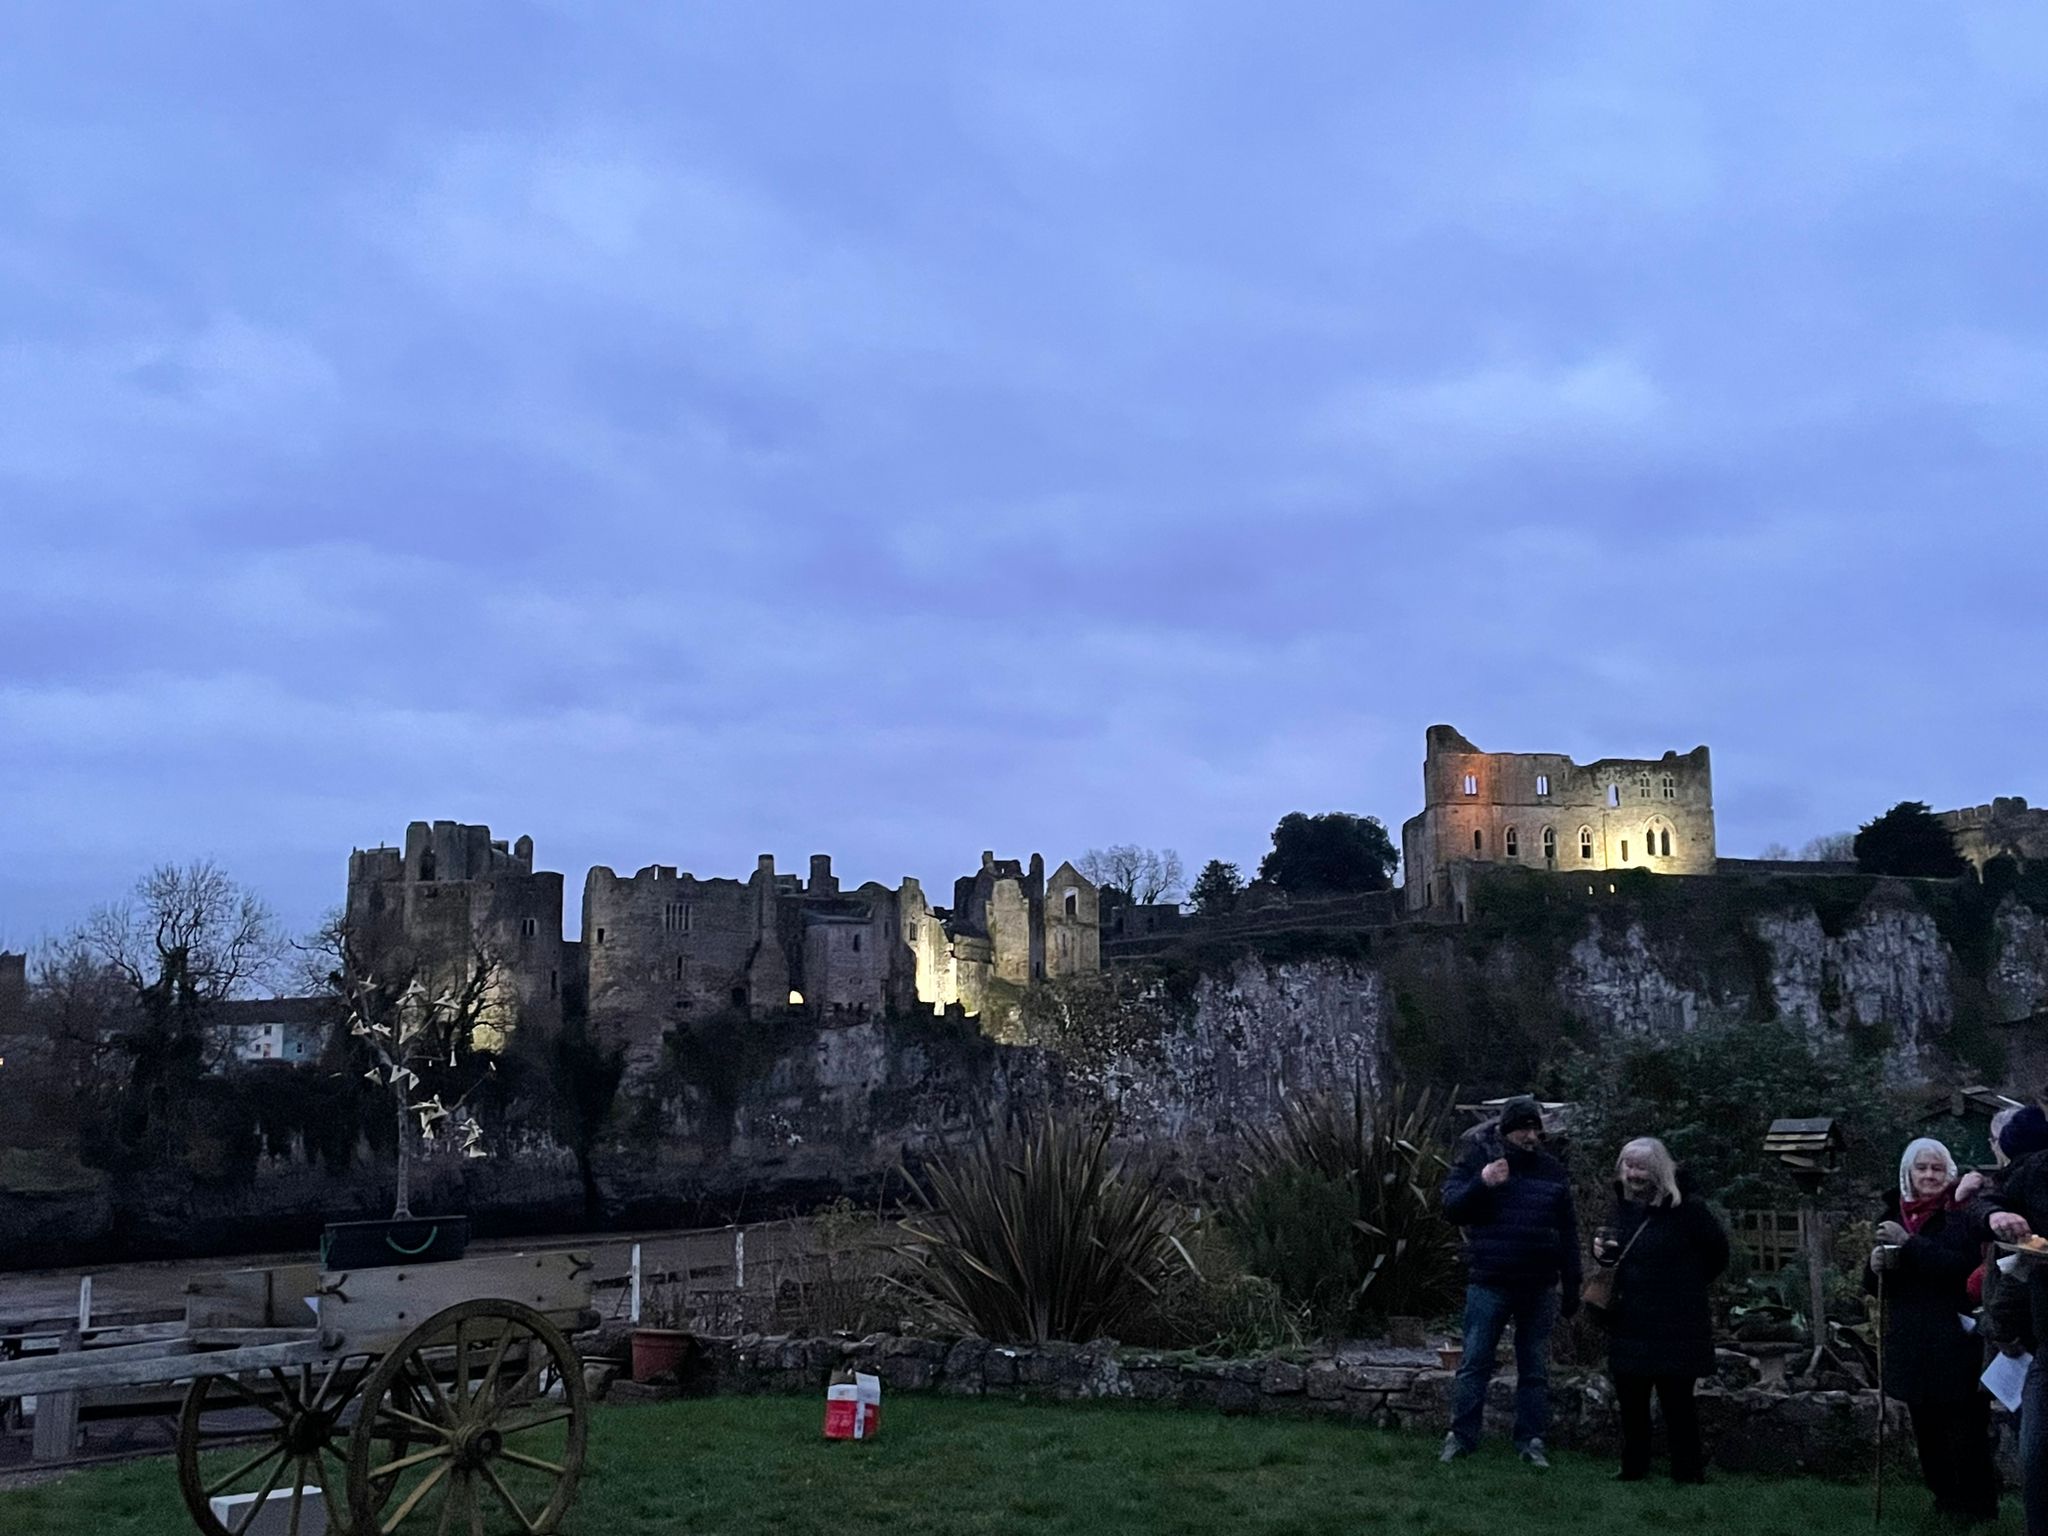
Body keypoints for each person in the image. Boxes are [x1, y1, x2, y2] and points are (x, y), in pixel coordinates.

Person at [1440, 1095, 1581, 1468]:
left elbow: (1567, 1231)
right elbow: (1452, 1208)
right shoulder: (1478, 1160)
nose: (1531, 1136)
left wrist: (1573, 1284)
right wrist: (1483, 1183)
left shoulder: (1551, 1171)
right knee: (1474, 1362)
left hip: (1539, 1284)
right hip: (1490, 1280)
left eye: (1536, 1128)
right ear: (1506, 1130)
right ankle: (1461, 1439)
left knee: (1534, 1367)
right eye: (1523, 1128)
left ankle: (1531, 1441)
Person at [1869, 1136, 2000, 1524]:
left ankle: (1976, 1508)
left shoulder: (1961, 1213)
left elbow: (1961, 1268)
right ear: (1907, 1173)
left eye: (1937, 1169)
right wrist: (1874, 1266)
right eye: (1921, 1168)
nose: (1929, 1175)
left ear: (1950, 1173)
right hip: (1911, 1339)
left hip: (1954, 1338)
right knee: (1926, 1430)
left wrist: (1908, 1245)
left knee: (1964, 1430)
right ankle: (1944, 1502)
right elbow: (1877, 1285)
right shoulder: (1894, 1214)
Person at [1593, 1137, 1728, 1484]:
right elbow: (1614, 1258)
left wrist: (1684, 1285)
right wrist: (1601, 1255)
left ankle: (1687, 1471)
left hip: (1676, 1322)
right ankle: (1633, 1468)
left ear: (1658, 1170)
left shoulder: (1690, 1210)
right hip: (1630, 1320)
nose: (1633, 1173)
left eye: (1640, 1166)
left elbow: (1718, 1255)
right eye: (1629, 1165)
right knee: (1632, 1403)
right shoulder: (1621, 1208)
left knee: (1678, 1403)